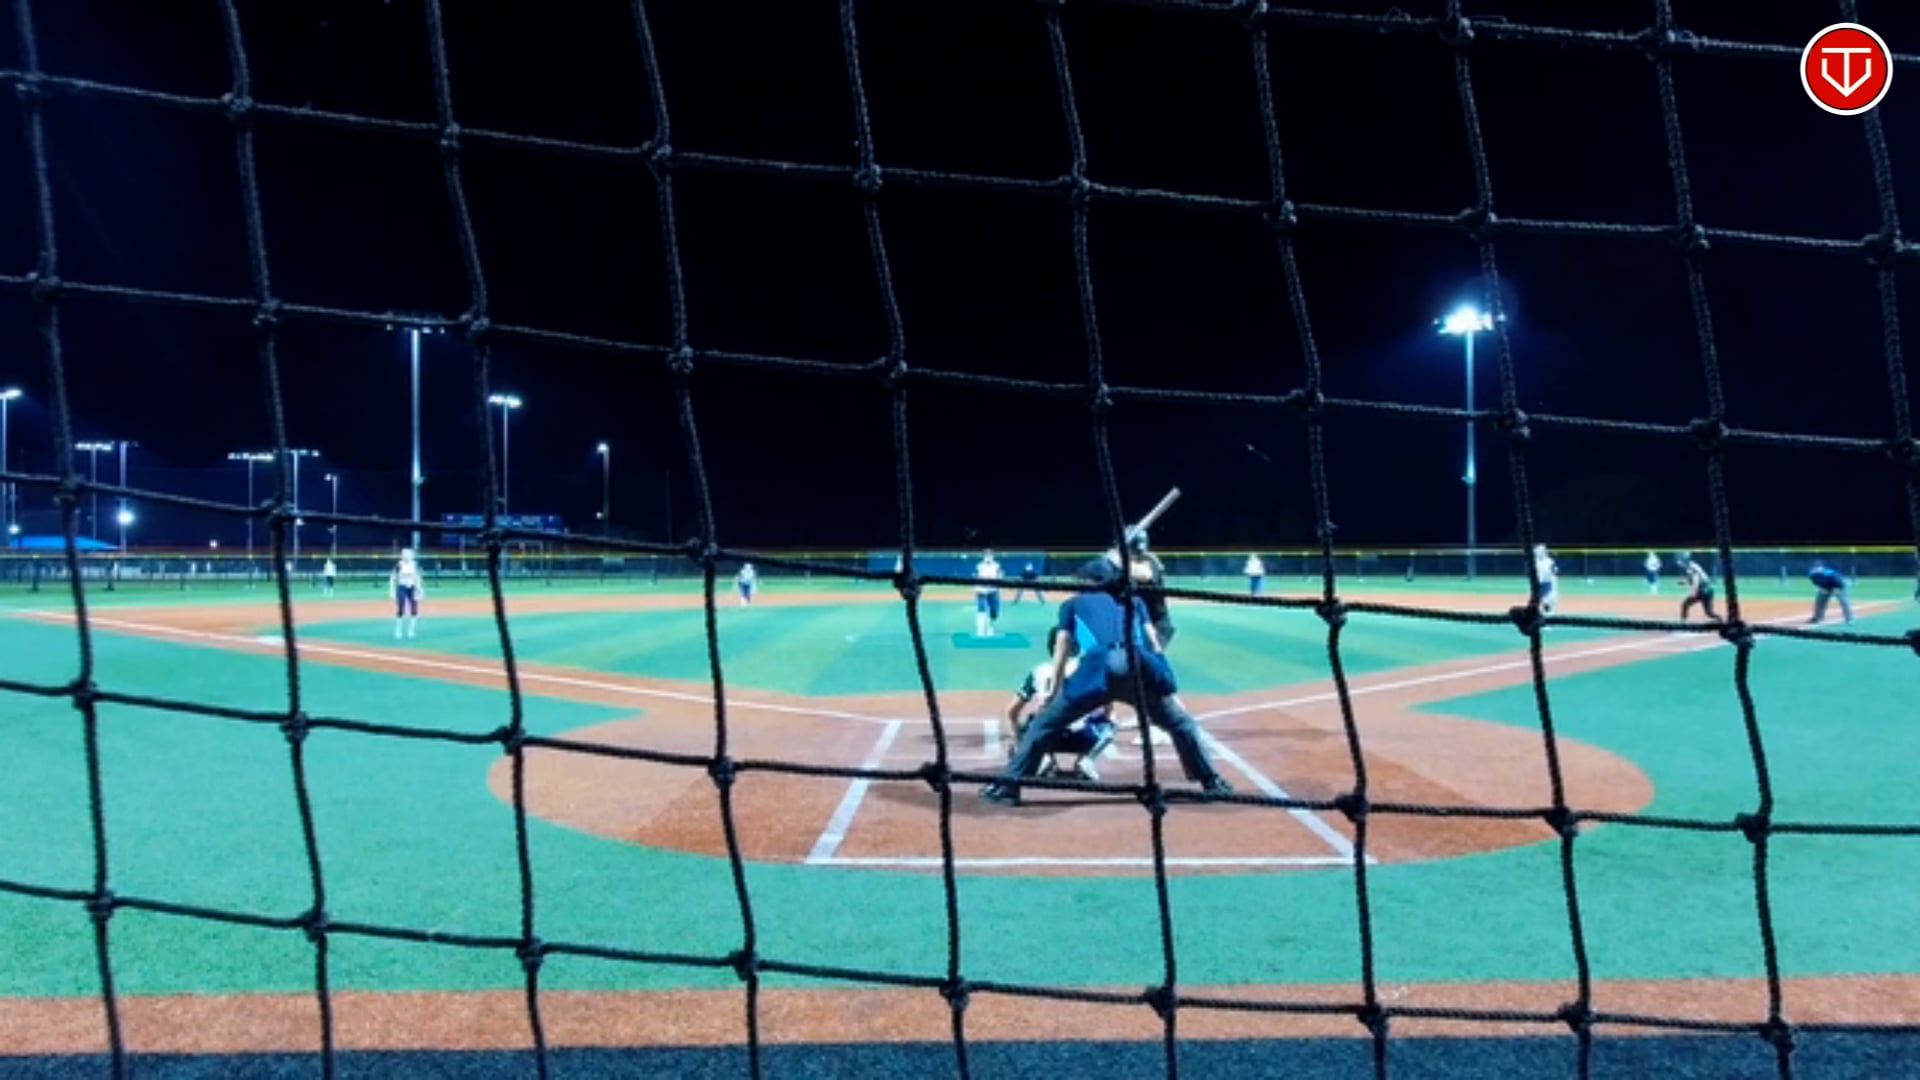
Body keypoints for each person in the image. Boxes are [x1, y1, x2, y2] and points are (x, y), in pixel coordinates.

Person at [981, 571, 1232, 805]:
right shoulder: (1134, 600)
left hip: (1097, 670)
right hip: (1137, 666)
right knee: (1180, 724)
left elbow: (1062, 648)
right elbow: (1154, 644)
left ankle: (1008, 787)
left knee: (1043, 724)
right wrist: (1168, 689)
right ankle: (1212, 782)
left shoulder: (1072, 604)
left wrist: (1052, 691)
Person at [1004, 626, 1117, 782]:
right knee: (1110, 724)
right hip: (1082, 738)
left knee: (1031, 722)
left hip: (1046, 736)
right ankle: (1086, 760)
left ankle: (1044, 759)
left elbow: (1012, 711)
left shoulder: (1038, 671)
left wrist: (1018, 739)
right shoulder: (1087, 668)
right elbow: (1108, 705)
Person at [389, 548, 423, 640]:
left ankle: (411, 631)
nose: (407, 556)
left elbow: (417, 577)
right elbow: (393, 577)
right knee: (401, 608)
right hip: (402, 587)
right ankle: (398, 630)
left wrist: (419, 588)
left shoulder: (415, 565)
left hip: (412, 587)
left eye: (409, 554)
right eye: (404, 554)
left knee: (414, 609)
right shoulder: (399, 565)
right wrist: (391, 590)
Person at [1677, 552, 1720, 623]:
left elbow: (1696, 579)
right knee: (1709, 613)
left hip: (1702, 590)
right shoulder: (1692, 565)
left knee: (1685, 604)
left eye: (1680, 560)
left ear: (1684, 560)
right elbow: (1697, 578)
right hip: (1708, 590)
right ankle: (1720, 620)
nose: (1679, 562)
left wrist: (1694, 591)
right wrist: (1685, 582)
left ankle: (1683, 623)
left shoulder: (1690, 567)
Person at [1808, 559, 1853, 625]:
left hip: (1838, 587)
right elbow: (1816, 583)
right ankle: (1817, 618)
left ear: (1822, 567)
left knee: (1843, 601)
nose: (1816, 568)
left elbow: (1839, 582)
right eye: (1815, 567)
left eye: (1818, 567)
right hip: (1825, 588)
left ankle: (1849, 618)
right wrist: (1821, 589)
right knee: (1819, 601)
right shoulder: (1812, 574)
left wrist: (1836, 590)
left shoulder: (1829, 573)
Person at [973, 548, 1003, 637]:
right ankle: (980, 630)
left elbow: (1000, 576)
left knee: (994, 611)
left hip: (993, 590)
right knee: (981, 609)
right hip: (981, 590)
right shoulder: (979, 566)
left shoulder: (997, 565)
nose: (988, 556)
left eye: (990, 554)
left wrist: (997, 583)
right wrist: (976, 588)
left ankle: (991, 627)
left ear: (993, 555)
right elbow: (975, 577)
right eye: (986, 554)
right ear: (983, 555)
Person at [1532, 543, 1559, 615]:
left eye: (1542, 550)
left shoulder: (1549, 561)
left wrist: (1554, 576)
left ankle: (1548, 611)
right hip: (1538, 583)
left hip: (1547, 583)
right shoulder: (1535, 561)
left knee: (1549, 600)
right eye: (1538, 551)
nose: (1540, 552)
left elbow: (1555, 571)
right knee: (1540, 601)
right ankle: (1543, 611)